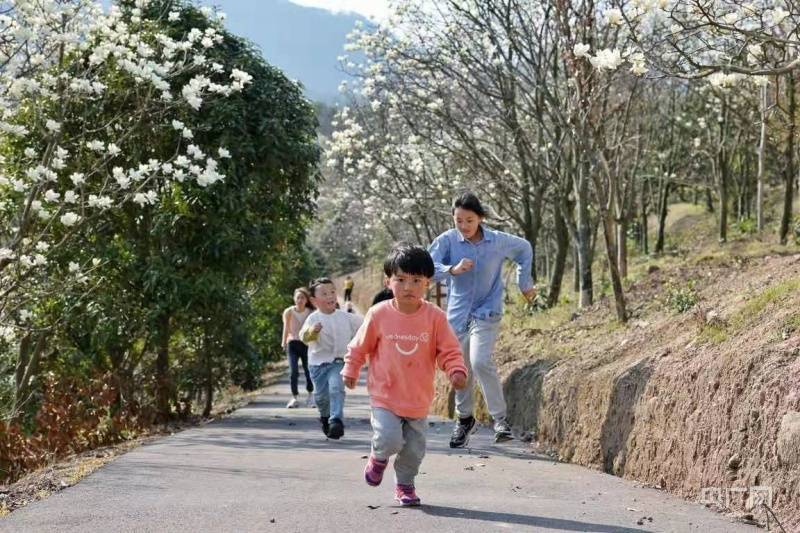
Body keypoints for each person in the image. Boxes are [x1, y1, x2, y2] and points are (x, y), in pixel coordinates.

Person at [342, 244, 467, 506]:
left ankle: (405, 485)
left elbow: (449, 349)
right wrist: (351, 368)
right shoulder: (379, 314)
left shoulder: (435, 318)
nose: (408, 286)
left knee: (413, 449)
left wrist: (456, 370)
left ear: (428, 284)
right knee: (388, 439)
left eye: (416, 280)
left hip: (418, 398)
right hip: (385, 394)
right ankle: (378, 457)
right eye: (400, 280)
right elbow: (359, 345)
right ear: (388, 281)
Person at [428, 192, 536, 447]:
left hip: (487, 312)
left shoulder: (497, 241)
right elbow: (427, 267)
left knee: (479, 361)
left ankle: (500, 420)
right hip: (457, 316)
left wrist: (524, 283)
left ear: (480, 219)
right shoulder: (447, 241)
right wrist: (451, 269)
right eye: (458, 221)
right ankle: (464, 419)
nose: (463, 226)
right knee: (460, 369)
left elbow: (524, 248)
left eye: (469, 220)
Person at [300, 277, 363, 439]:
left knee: (336, 389)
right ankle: (325, 417)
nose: (330, 296)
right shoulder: (313, 319)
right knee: (321, 397)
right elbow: (304, 337)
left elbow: (366, 325)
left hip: (338, 362)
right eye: (324, 293)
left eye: (333, 292)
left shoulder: (345, 317)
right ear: (314, 300)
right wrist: (313, 331)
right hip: (317, 364)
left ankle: (336, 421)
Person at [281, 288, 315, 408]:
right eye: (298, 297)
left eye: (303, 298)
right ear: (294, 299)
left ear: (306, 300)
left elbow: (314, 330)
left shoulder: (311, 312)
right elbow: (285, 328)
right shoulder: (288, 312)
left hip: (306, 345)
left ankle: (311, 396)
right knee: (293, 371)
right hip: (292, 343)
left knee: (308, 370)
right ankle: (294, 397)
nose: (300, 300)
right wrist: (283, 342)